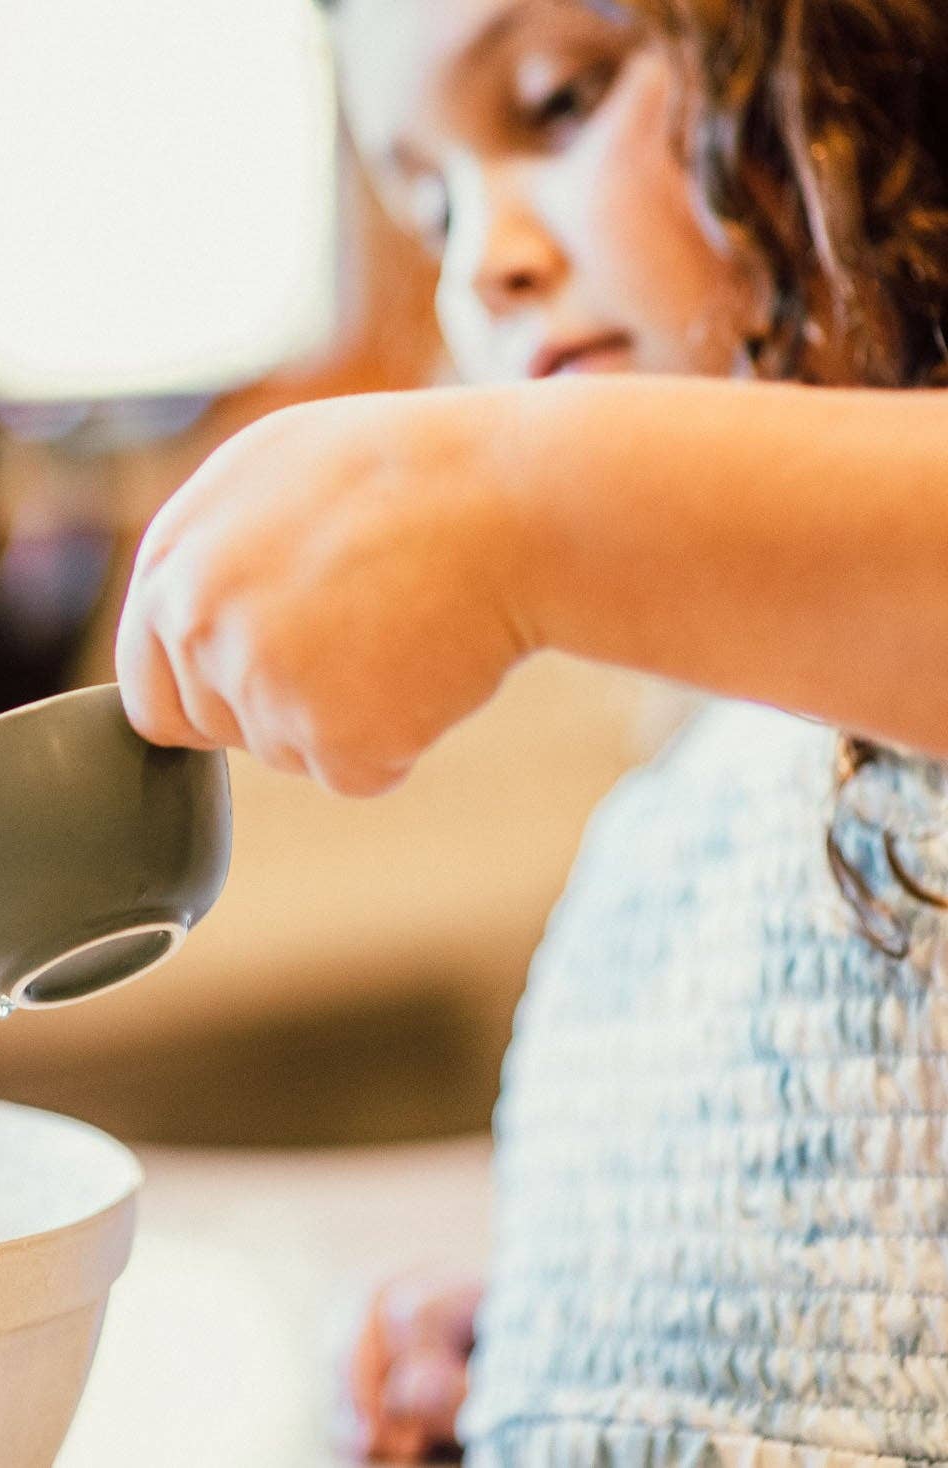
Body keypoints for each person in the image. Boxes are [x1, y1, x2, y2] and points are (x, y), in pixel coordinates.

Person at [113, 0, 948, 1461]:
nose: (480, 262)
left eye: (560, 101)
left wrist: (519, 506)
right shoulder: (706, 778)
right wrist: (588, 1323)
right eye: (433, 207)